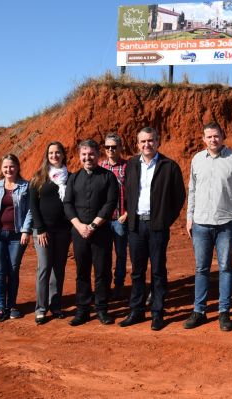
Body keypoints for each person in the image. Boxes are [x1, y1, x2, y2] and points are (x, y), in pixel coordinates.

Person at [185, 121, 232, 332]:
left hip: (226, 223)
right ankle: (199, 311)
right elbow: (192, 190)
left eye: (216, 136)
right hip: (201, 223)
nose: (213, 140)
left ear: (223, 136)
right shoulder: (197, 159)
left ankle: (224, 312)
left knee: (225, 268)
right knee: (201, 268)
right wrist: (189, 217)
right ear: (203, 139)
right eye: (209, 136)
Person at [119, 127, 185, 331]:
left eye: (150, 141)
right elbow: (127, 193)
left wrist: (165, 220)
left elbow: (179, 197)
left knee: (157, 270)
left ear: (158, 141)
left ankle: (157, 312)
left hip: (157, 226)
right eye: (143, 141)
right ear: (137, 144)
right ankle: (137, 310)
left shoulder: (169, 166)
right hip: (136, 225)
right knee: (137, 271)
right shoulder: (131, 165)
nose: (147, 145)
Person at [64, 139, 119, 326]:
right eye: (84, 154)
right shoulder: (73, 178)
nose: (88, 158)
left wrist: (93, 226)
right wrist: (79, 226)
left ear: (98, 154)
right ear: (79, 156)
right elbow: (68, 204)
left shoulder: (108, 177)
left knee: (102, 271)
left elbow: (110, 203)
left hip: (101, 232)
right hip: (79, 232)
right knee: (82, 272)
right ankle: (83, 310)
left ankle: (102, 309)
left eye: (91, 154)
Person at [0, 154, 33, 322]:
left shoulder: (26, 186)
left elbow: (31, 211)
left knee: (13, 270)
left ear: (17, 167)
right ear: (1, 169)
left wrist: (26, 231)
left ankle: (12, 306)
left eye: (11, 166)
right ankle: (0, 307)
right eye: (5, 167)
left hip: (17, 236)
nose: (8, 170)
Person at [30, 142, 72, 324]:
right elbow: (32, 205)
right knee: (44, 267)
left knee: (59, 268)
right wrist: (40, 229)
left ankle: (55, 305)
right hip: (43, 231)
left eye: (57, 152)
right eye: (51, 153)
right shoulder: (39, 177)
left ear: (63, 155)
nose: (54, 155)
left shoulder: (70, 177)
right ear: (47, 156)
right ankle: (41, 308)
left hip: (63, 230)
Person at [99, 133, 129, 299]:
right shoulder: (101, 166)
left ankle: (119, 286)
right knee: (104, 255)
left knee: (121, 254)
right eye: (107, 147)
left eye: (114, 147)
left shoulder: (127, 167)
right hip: (103, 220)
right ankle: (105, 286)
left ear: (120, 148)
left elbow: (134, 191)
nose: (110, 149)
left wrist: (127, 213)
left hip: (120, 219)